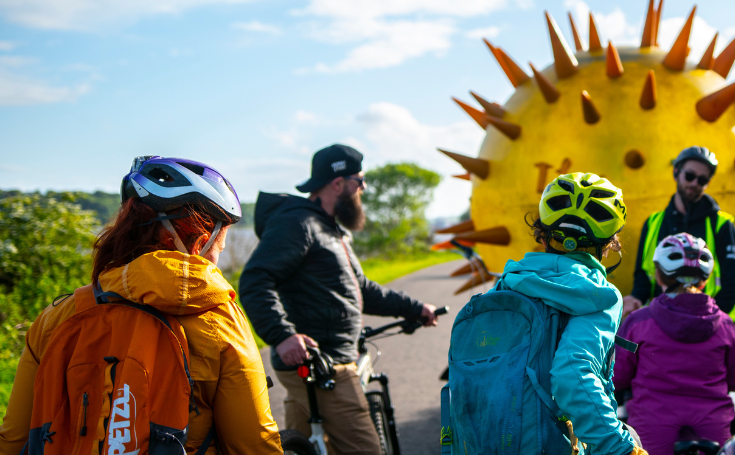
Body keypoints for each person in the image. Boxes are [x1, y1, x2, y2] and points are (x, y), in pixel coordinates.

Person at [0, 156, 281, 454]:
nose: (218, 260)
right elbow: (253, 443)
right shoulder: (218, 318)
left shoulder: (59, 315)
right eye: (219, 248)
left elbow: (13, 438)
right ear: (200, 243)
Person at [238, 144, 438, 455]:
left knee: (304, 448)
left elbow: (362, 290)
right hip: (323, 364)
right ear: (338, 183)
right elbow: (254, 280)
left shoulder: (330, 230)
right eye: (360, 181)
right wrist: (282, 336)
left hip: (325, 359)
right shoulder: (299, 223)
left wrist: (415, 309)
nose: (363, 188)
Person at [493, 172, 647, 455]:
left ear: (543, 233)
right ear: (610, 244)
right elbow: (571, 374)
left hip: (486, 438)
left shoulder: (507, 283)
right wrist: (621, 450)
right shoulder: (600, 297)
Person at [614, 233, 735, 455]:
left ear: (658, 276)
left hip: (653, 429)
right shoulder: (725, 324)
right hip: (711, 429)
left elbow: (616, 376)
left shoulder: (638, 322)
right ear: (705, 279)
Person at [622, 146, 735, 317]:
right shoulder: (653, 223)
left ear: (708, 183)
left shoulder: (723, 225)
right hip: (660, 321)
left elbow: (733, 286)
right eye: (689, 176)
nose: (694, 183)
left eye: (702, 180)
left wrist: (708, 321)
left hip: (705, 323)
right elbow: (643, 275)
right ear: (676, 173)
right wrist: (636, 297)